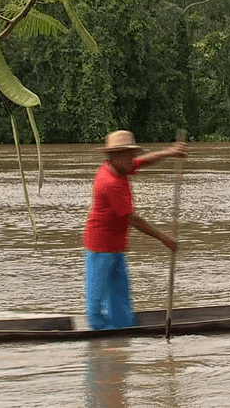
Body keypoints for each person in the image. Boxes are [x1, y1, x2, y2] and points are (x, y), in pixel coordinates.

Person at [82, 130, 187, 330]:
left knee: (119, 292)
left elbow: (143, 161)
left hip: (116, 245)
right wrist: (163, 238)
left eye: (132, 154)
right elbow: (133, 219)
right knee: (96, 298)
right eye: (129, 155)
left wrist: (170, 152)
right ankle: (99, 335)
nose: (133, 159)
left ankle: (123, 328)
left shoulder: (119, 168)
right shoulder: (110, 182)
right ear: (115, 155)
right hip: (99, 246)